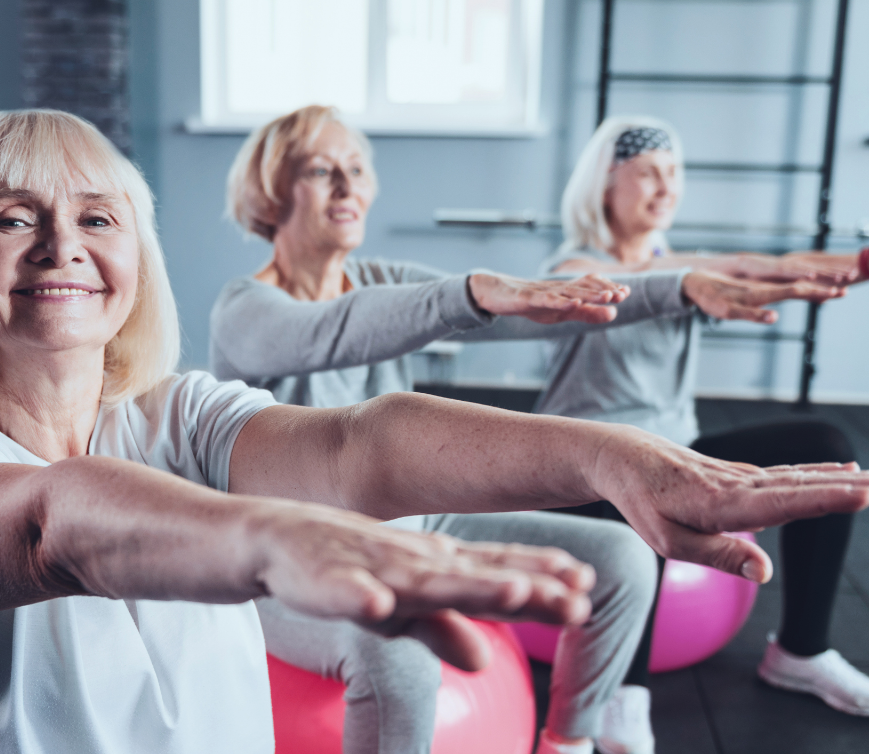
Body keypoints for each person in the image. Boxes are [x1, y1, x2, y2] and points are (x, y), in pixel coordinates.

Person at [0, 112, 864, 754]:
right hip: (300, 566)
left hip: (368, 537)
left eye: (97, 216)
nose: (62, 245)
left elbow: (358, 444)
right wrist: (274, 535)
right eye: (10, 218)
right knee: (392, 655)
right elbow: (51, 525)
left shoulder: (171, 412)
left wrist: (607, 455)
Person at [209, 105, 850, 754]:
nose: (349, 187)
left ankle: (565, 742)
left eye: (356, 168)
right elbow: (333, 332)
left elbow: (536, 307)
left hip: (414, 523)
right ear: (272, 190)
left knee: (625, 560)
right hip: (296, 550)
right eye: (323, 171)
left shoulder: (385, 279)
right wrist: (469, 295)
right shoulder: (244, 309)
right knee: (400, 656)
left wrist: (681, 288)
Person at [537, 114, 869, 754]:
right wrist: (690, 283)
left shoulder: (680, 262)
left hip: (677, 452)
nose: (667, 187)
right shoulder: (572, 264)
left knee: (825, 446)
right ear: (607, 183)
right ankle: (622, 694)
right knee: (637, 482)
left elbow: (762, 265)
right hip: (581, 469)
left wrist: (858, 264)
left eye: (674, 173)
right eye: (650, 173)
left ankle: (800, 652)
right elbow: (628, 288)